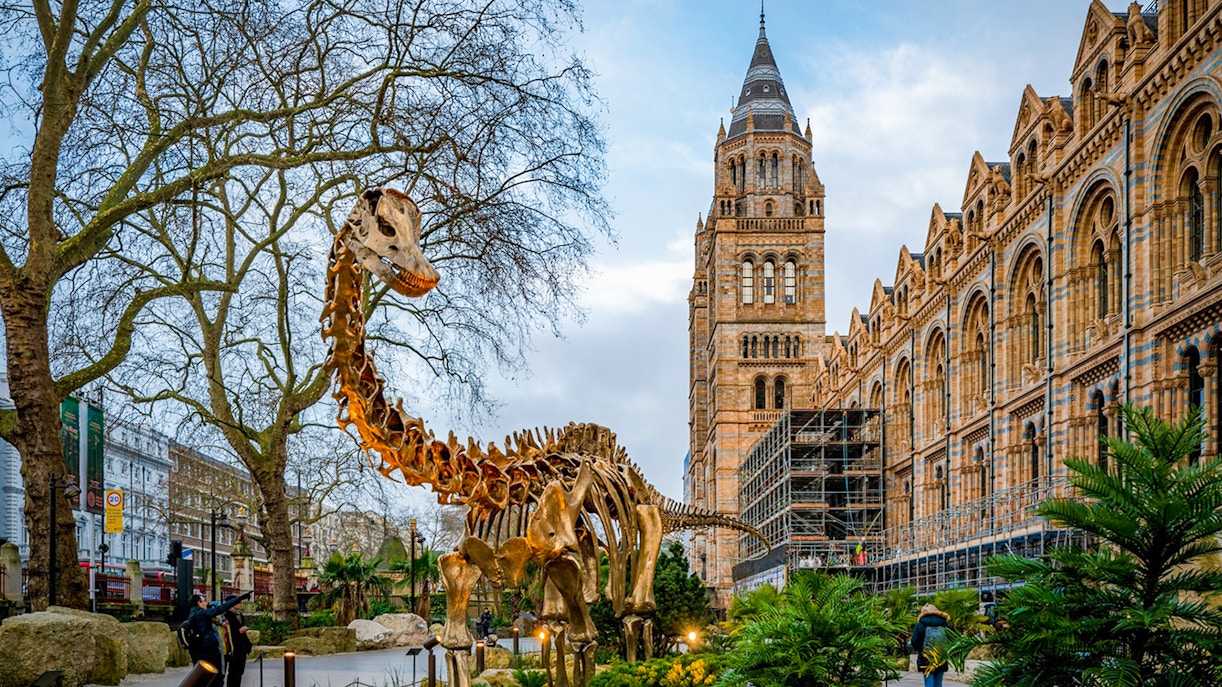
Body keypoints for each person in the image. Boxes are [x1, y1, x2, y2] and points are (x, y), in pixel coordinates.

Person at [185, 592, 250, 686]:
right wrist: (238, 599)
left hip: (198, 651)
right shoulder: (200, 614)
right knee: (215, 680)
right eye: (204, 601)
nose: (206, 603)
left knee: (204, 679)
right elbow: (219, 609)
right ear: (199, 603)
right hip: (207, 652)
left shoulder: (192, 615)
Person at [910, 603, 951, 687]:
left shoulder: (920, 624)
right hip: (941, 657)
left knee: (929, 682)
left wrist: (920, 650)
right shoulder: (944, 623)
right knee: (938, 683)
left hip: (926, 657)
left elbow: (914, 641)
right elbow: (950, 639)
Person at [222, 595, 253, 687]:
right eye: (237, 602)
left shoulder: (240, 615)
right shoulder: (226, 615)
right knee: (233, 672)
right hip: (234, 647)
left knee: (240, 671)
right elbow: (227, 631)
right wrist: (239, 631)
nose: (239, 604)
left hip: (242, 647)